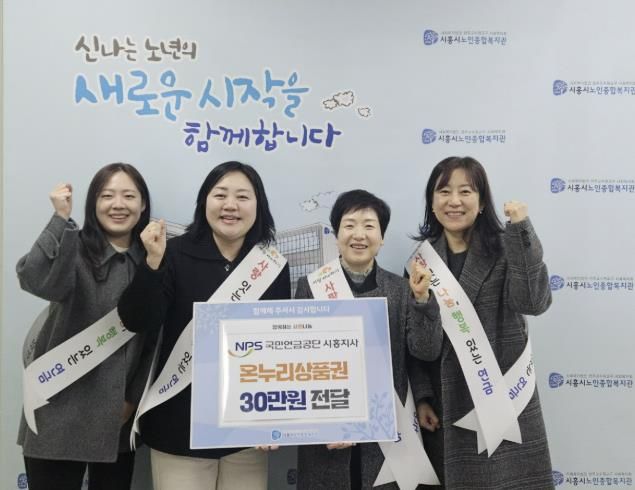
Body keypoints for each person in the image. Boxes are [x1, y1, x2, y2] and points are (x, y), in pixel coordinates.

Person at [117, 161, 291, 490]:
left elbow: (278, 347)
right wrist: (152, 263)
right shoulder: (172, 253)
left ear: (259, 206)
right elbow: (137, 319)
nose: (230, 205)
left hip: (245, 430)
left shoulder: (270, 265)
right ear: (204, 202)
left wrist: (273, 419)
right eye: (220, 195)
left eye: (242, 197)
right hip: (179, 426)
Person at [411, 156, 553, 488]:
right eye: (444, 191)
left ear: (482, 202)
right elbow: (420, 347)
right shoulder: (422, 261)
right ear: (431, 202)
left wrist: (521, 228)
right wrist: (422, 396)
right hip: (448, 407)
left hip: (505, 399)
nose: (454, 201)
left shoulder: (507, 247)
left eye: (465, 191)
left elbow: (533, 303)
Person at [17, 163, 154, 490]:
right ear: (93, 203)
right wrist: (59, 219)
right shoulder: (73, 247)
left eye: (128, 196)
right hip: (56, 411)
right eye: (107, 196)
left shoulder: (152, 258)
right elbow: (34, 279)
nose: (118, 204)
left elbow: (154, 340)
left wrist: (133, 399)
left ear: (143, 205)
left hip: (117, 417)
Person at [294, 189, 443, 490]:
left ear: (382, 237)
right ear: (337, 235)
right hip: (328, 428)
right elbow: (299, 361)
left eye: (369, 226)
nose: (359, 235)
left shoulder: (401, 288)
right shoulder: (311, 286)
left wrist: (422, 300)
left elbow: (422, 353)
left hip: (389, 427)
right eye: (349, 225)